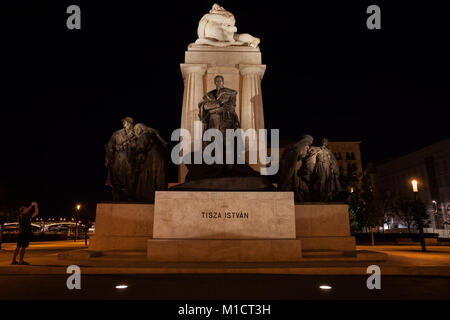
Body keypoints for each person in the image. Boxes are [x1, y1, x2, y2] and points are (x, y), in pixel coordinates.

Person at [105, 117, 137, 201]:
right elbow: (110, 147)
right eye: (124, 122)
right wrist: (108, 159)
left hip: (129, 157)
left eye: (126, 122)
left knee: (129, 177)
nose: (124, 123)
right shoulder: (117, 134)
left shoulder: (135, 135)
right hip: (118, 157)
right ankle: (116, 195)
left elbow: (138, 147)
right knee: (116, 175)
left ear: (130, 124)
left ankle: (129, 196)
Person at [134, 123, 168, 202]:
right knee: (157, 178)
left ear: (141, 128)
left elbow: (140, 148)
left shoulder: (144, 135)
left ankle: (146, 196)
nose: (136, 131)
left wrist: (134, 151)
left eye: (137, 128)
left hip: (151, 159)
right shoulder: (153, 134)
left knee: (146, 177)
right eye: (135, 129)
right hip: (160, 159)